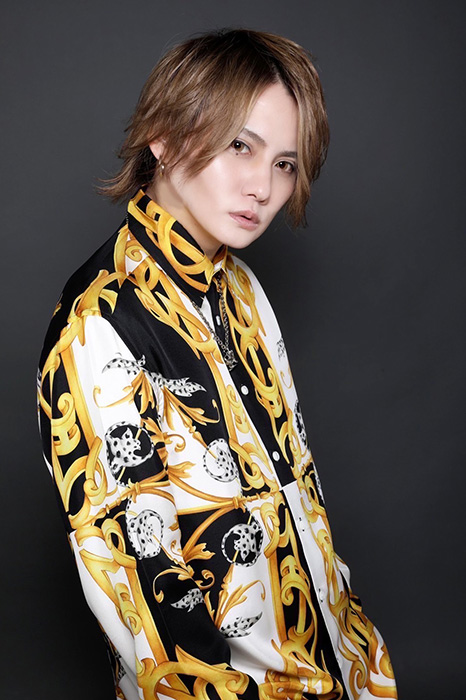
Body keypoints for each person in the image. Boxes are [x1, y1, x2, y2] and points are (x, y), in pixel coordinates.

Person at [37, 28, 397, 700]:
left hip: (338, 670)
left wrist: (352, 643)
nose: (263, 186)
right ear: (163, 137)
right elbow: (141, 591)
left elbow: (297, 494)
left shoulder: (240, 287)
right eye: (240, 146)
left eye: (285, 163)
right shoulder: (100, 326)